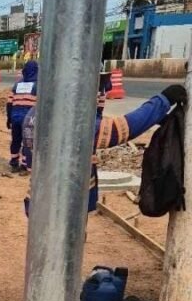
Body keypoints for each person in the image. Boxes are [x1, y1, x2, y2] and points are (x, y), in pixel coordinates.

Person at [23, 82, 188, 215]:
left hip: (42, 199)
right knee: (64, 251)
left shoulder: (35, 114)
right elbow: (122, 129)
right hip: (64, 206)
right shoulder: (65, 121)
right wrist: (163, 101)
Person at [6, 60, 39, 173]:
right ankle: (25, 165)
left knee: (15, 140)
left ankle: (14, 162)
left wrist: (9, 118)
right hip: (29, 119)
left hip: (15, 116)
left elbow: (9, 102)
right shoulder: (38, 84)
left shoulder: (17, 84)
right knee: (27, 142)